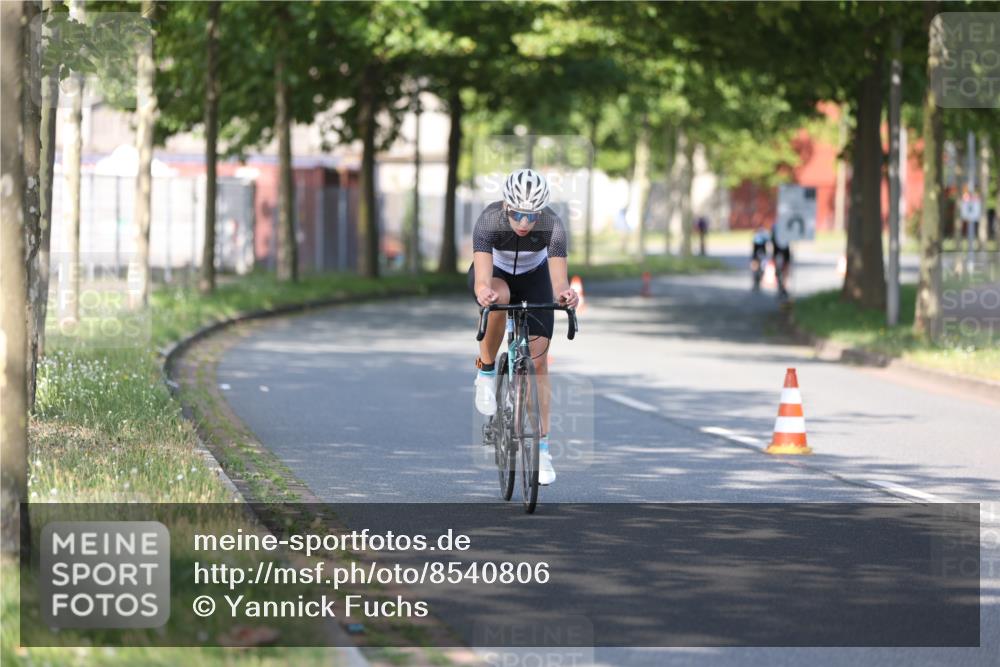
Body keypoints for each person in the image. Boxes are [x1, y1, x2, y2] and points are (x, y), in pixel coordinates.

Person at [467, 169, 579, 486]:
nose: (524, 223)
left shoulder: (553, 226)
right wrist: (483, 292)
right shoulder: (489, 221)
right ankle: (486, 371)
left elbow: (558, 281)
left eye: (531, 215)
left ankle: (542, 448)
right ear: (506, 205)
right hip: (496, 275)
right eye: (517, 214)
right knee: (498, 297)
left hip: (535, 279)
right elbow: (482, 280)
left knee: (539, 361)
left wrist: (566, 294)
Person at [771, 223, 792, 300]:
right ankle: (780, 285)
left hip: (784, 251)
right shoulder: (777, 226)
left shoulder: (785, 224)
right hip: (778, 250)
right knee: (779, 269)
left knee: (785, 268)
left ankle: (783, 286)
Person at [750, 225, 769, 291]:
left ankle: (757, 280)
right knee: (757, 267)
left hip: (760, 252)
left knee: (760, 267)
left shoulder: (761, 235)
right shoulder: (758, 235)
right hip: (758, 252)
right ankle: (756, 280)